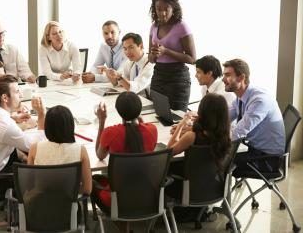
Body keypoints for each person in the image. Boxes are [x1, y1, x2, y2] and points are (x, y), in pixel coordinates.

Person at [166, 93, 231, 221]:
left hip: (189, 190)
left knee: (168, 167)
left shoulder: (193, 136)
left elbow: (169, 151)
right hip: (216, 188)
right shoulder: (227, 136)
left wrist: (181, 124)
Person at [92, 92, 158, 214]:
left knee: (92, 180)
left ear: (118, 111)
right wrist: (141, 123)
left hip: (118, 199)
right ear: (139, 110)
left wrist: (102, 121)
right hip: (146, 195)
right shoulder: (152, 130)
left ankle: (119, 224)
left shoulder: (110, 133)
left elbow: (100, 155)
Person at [222, 59, 285, 174]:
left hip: (267, 159)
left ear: (241, 78)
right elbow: (223, 117)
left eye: (227, 75)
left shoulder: (259, 100)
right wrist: (197, 124)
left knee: (215, 161)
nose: (223, 79)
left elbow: (238, 133)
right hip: (254, 150)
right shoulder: (241, 96)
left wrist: (208, 137)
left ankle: (216, 192)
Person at [148, 0, 196, 111]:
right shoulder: (153, 27)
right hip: (158, 76)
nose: (162, 13)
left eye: (166, 9)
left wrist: (166, 51)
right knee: (158, 116)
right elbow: (151, 59)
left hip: (178, 79)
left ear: (173, 8)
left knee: (176, 120)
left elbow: (192, 59)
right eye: (159, 9)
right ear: (154, 8)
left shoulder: (181, 26)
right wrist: (154, 54)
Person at [27, 105, 92, 195]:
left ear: (47, 127)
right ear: (70, 126)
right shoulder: (81, 150)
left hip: (38, 205)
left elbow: (28, 185)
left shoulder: (34, 148)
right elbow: (87, 189)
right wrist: (68, 191)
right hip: (69, 208)